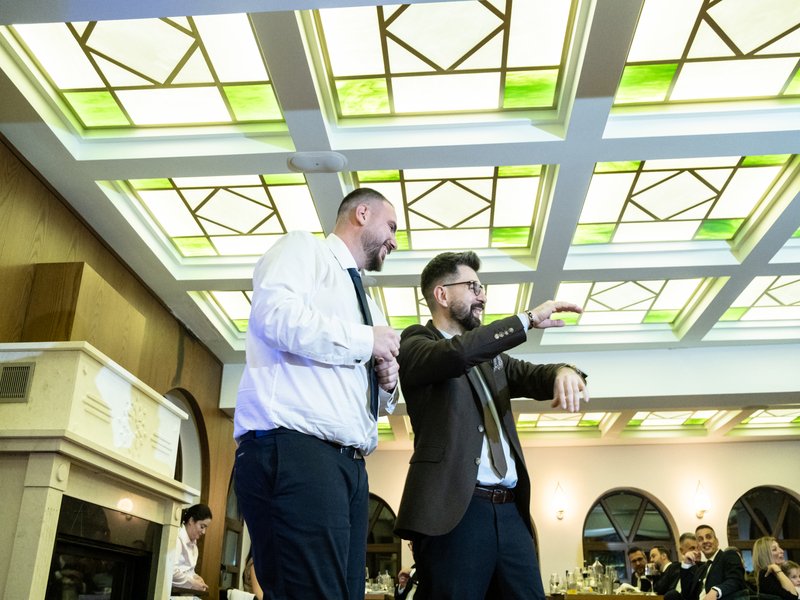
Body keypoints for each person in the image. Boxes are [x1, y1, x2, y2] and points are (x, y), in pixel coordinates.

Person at [233, 187, 401, 600]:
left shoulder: (371, 307)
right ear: (362, 213)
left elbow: (373, 401)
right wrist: (366, 341)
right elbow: (275, 317)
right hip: (296, 450)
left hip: (350, 465)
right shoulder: (302, 249)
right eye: (392, 227)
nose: (395, 241)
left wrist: (388, 383)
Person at [394, 250, 589, 600]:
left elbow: (534, 375)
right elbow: (457, 354)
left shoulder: (492, 360)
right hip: (457, 512)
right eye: (473, 287)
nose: (482, 295)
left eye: (482, 287)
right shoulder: (416, 343)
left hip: (511, 512)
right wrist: (526, 320)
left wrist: (565, 371)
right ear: (441, 294)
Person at [679, 524, 746, 600]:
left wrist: (716, 590)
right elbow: (687, 595)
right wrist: (686, 565)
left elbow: (736, 580)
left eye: (708, 537)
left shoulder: (728, 555)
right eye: (700, 539)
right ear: (698, 546)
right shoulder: (701, 569)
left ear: (717, 541)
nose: (705, 541)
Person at [172, 503, 212, 593]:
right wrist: (192, 583)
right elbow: (171, 571)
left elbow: (188, 571)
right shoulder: (177, 538)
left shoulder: (194, 546)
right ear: (191, 521)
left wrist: (195, 577)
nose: (204, 532)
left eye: (205, 528)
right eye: (202, 527)